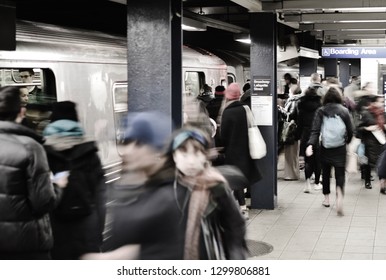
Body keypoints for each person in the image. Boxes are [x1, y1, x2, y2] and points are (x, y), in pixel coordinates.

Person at [98, 113, 247, 260]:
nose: (190, 160)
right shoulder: (170, 185)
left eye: (197, 152)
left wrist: (235, 256)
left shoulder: (215, 185)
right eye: (183, 151)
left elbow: (235, 225)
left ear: (205, 155)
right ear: (173, 155)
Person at [0, 86, 63, 259]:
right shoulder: (30, 147)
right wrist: (58, 186)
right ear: (21, 111)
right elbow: (43, 203)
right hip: (26, 244)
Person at [42, 101, 106, 259]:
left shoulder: (43, 152)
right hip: (87, 227)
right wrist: (98, 231)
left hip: (55, 229)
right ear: (76, 120)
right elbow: (100, 195)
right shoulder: (89, 151)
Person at [306, 86, 353, 216]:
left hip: (325, 148)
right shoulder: (344, 111)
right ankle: (339, 197)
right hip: (340, 148)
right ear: (339, 97)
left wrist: (310, 145)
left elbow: (315, 131)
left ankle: (326, 199)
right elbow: (350, 131)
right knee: (340, 175)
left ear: (325, 97)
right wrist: (347, 142)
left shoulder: (320, 111)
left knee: (325, 174)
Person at [220, 83, 262, 219]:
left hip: (232, 151)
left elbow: (224, 135)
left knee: (234, 179)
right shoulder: (246, 109)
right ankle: (241, 206)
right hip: (246, 149)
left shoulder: (227, 112)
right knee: (242, 177)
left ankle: (242, 208)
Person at [356, 95, 386, 190]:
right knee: (368, 163)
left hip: (382, 142)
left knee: (383, 163)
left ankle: (383, 184)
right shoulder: (366, 113)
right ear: (373, 103)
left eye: (382, 102)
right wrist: (367, 128)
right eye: (380, 102)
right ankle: (367, 180)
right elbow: (358, 128)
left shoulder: (383, 114)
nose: (382, 104)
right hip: (369, 143)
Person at [296, 86, 322, 192]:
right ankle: (316, 183)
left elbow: (299, 124)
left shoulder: (302, 107)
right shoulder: (320, 107)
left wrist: (297, 136)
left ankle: (307, 184)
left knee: (308, 161)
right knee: (317, 160)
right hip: (317, 135)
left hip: (306, 135)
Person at [282, 78, 302, 181]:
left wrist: (280, 110)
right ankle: (295, 173)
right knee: (295, 153)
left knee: (290, 153)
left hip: (291, 129)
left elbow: (289, 115)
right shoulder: (302, 99)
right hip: (298, 129)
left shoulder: (292, 100)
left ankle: (291, 174)